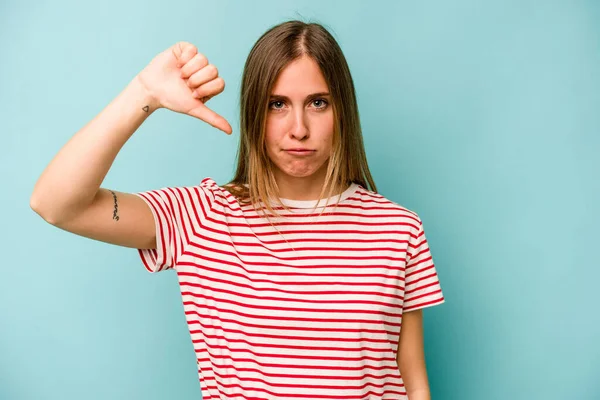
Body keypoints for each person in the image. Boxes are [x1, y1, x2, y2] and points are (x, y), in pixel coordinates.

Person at [30, 20, 445, 400]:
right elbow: (56, 204)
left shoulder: (397, 228)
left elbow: (411, 377)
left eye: (318, 102)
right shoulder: (201, 217)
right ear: (252, 113)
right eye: (276, 104)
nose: (298, 127)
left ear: (343, 111)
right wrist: (144, 93)